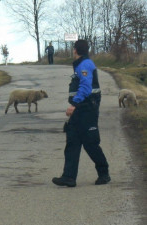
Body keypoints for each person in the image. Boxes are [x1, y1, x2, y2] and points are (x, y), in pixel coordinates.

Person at [52, 39, 110, 187]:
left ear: (75, 50)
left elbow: (85, 87)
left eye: (73, 49)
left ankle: (104, 173)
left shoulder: (85, 65)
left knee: (90, 142)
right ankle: (69, 177)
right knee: (72, 141)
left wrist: (74, 105)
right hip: (81, 109)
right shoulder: (82, 64)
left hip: (87, 108)